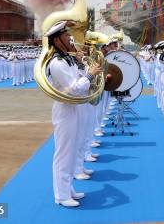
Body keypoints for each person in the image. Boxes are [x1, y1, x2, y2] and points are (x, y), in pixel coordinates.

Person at [46, 21, 102, 207]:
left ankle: (67, 188)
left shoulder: (67, 59)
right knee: (64, 152)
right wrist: (89, 75)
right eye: (66, 35)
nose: (70, 38)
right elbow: (75, 89)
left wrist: (83, 67)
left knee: (73, 148)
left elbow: (79, 83)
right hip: (65, 110)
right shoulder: (57, 63)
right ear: (57, 40)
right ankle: (61, 195)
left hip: (74, 108)